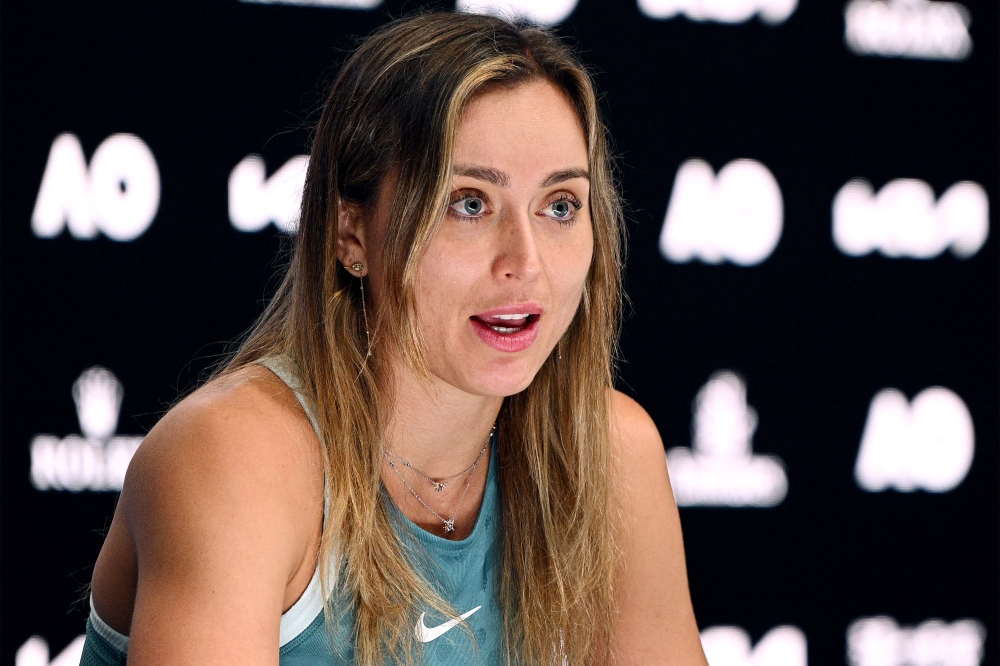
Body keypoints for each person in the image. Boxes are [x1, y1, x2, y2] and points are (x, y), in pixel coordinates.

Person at [82, 11, 707, 666]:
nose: (526, 262)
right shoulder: (236, 459)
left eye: (559, 206)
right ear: (353, 234)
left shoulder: (608, 454)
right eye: (469, 203)